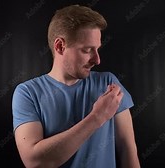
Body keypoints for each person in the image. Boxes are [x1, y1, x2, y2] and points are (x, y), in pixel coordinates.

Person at [12, 4, 140, 168]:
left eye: (97, 49)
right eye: (87, 50)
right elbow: (34, 162)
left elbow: (128, 150)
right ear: (60, 46)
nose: (97, 60)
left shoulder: (108, 83)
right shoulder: (28, 93)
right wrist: (97, 117)